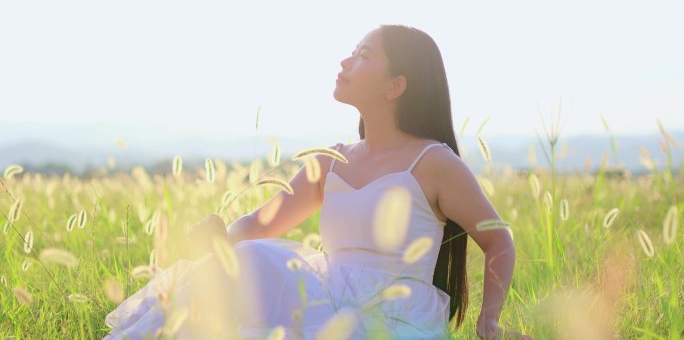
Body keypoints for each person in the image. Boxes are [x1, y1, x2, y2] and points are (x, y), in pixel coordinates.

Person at [102, 25, 533, 340]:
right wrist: (217, 240)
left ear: (395, 86)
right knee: (247, 259)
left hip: (395, 316)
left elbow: (499, 240)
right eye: (352, 51)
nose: (346, 62)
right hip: (326, 298)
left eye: (364, 56)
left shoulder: (433, 162)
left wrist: (488, 321)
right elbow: (259, 224)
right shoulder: (332, 161)